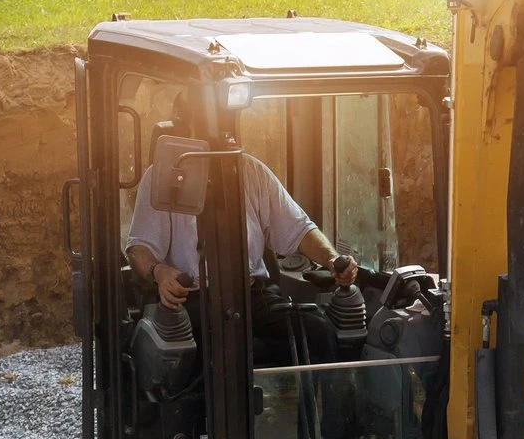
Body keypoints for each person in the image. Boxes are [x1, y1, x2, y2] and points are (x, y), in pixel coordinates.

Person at [124, 123, 358, 311]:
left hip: (252, 295)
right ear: (185, 124)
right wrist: (159, 272)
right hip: (190, 300)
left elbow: (299, 229)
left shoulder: (252, 171)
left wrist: (331, 259)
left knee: (318, 332)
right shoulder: (160, 178)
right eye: (205, 120)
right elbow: (139, 247)